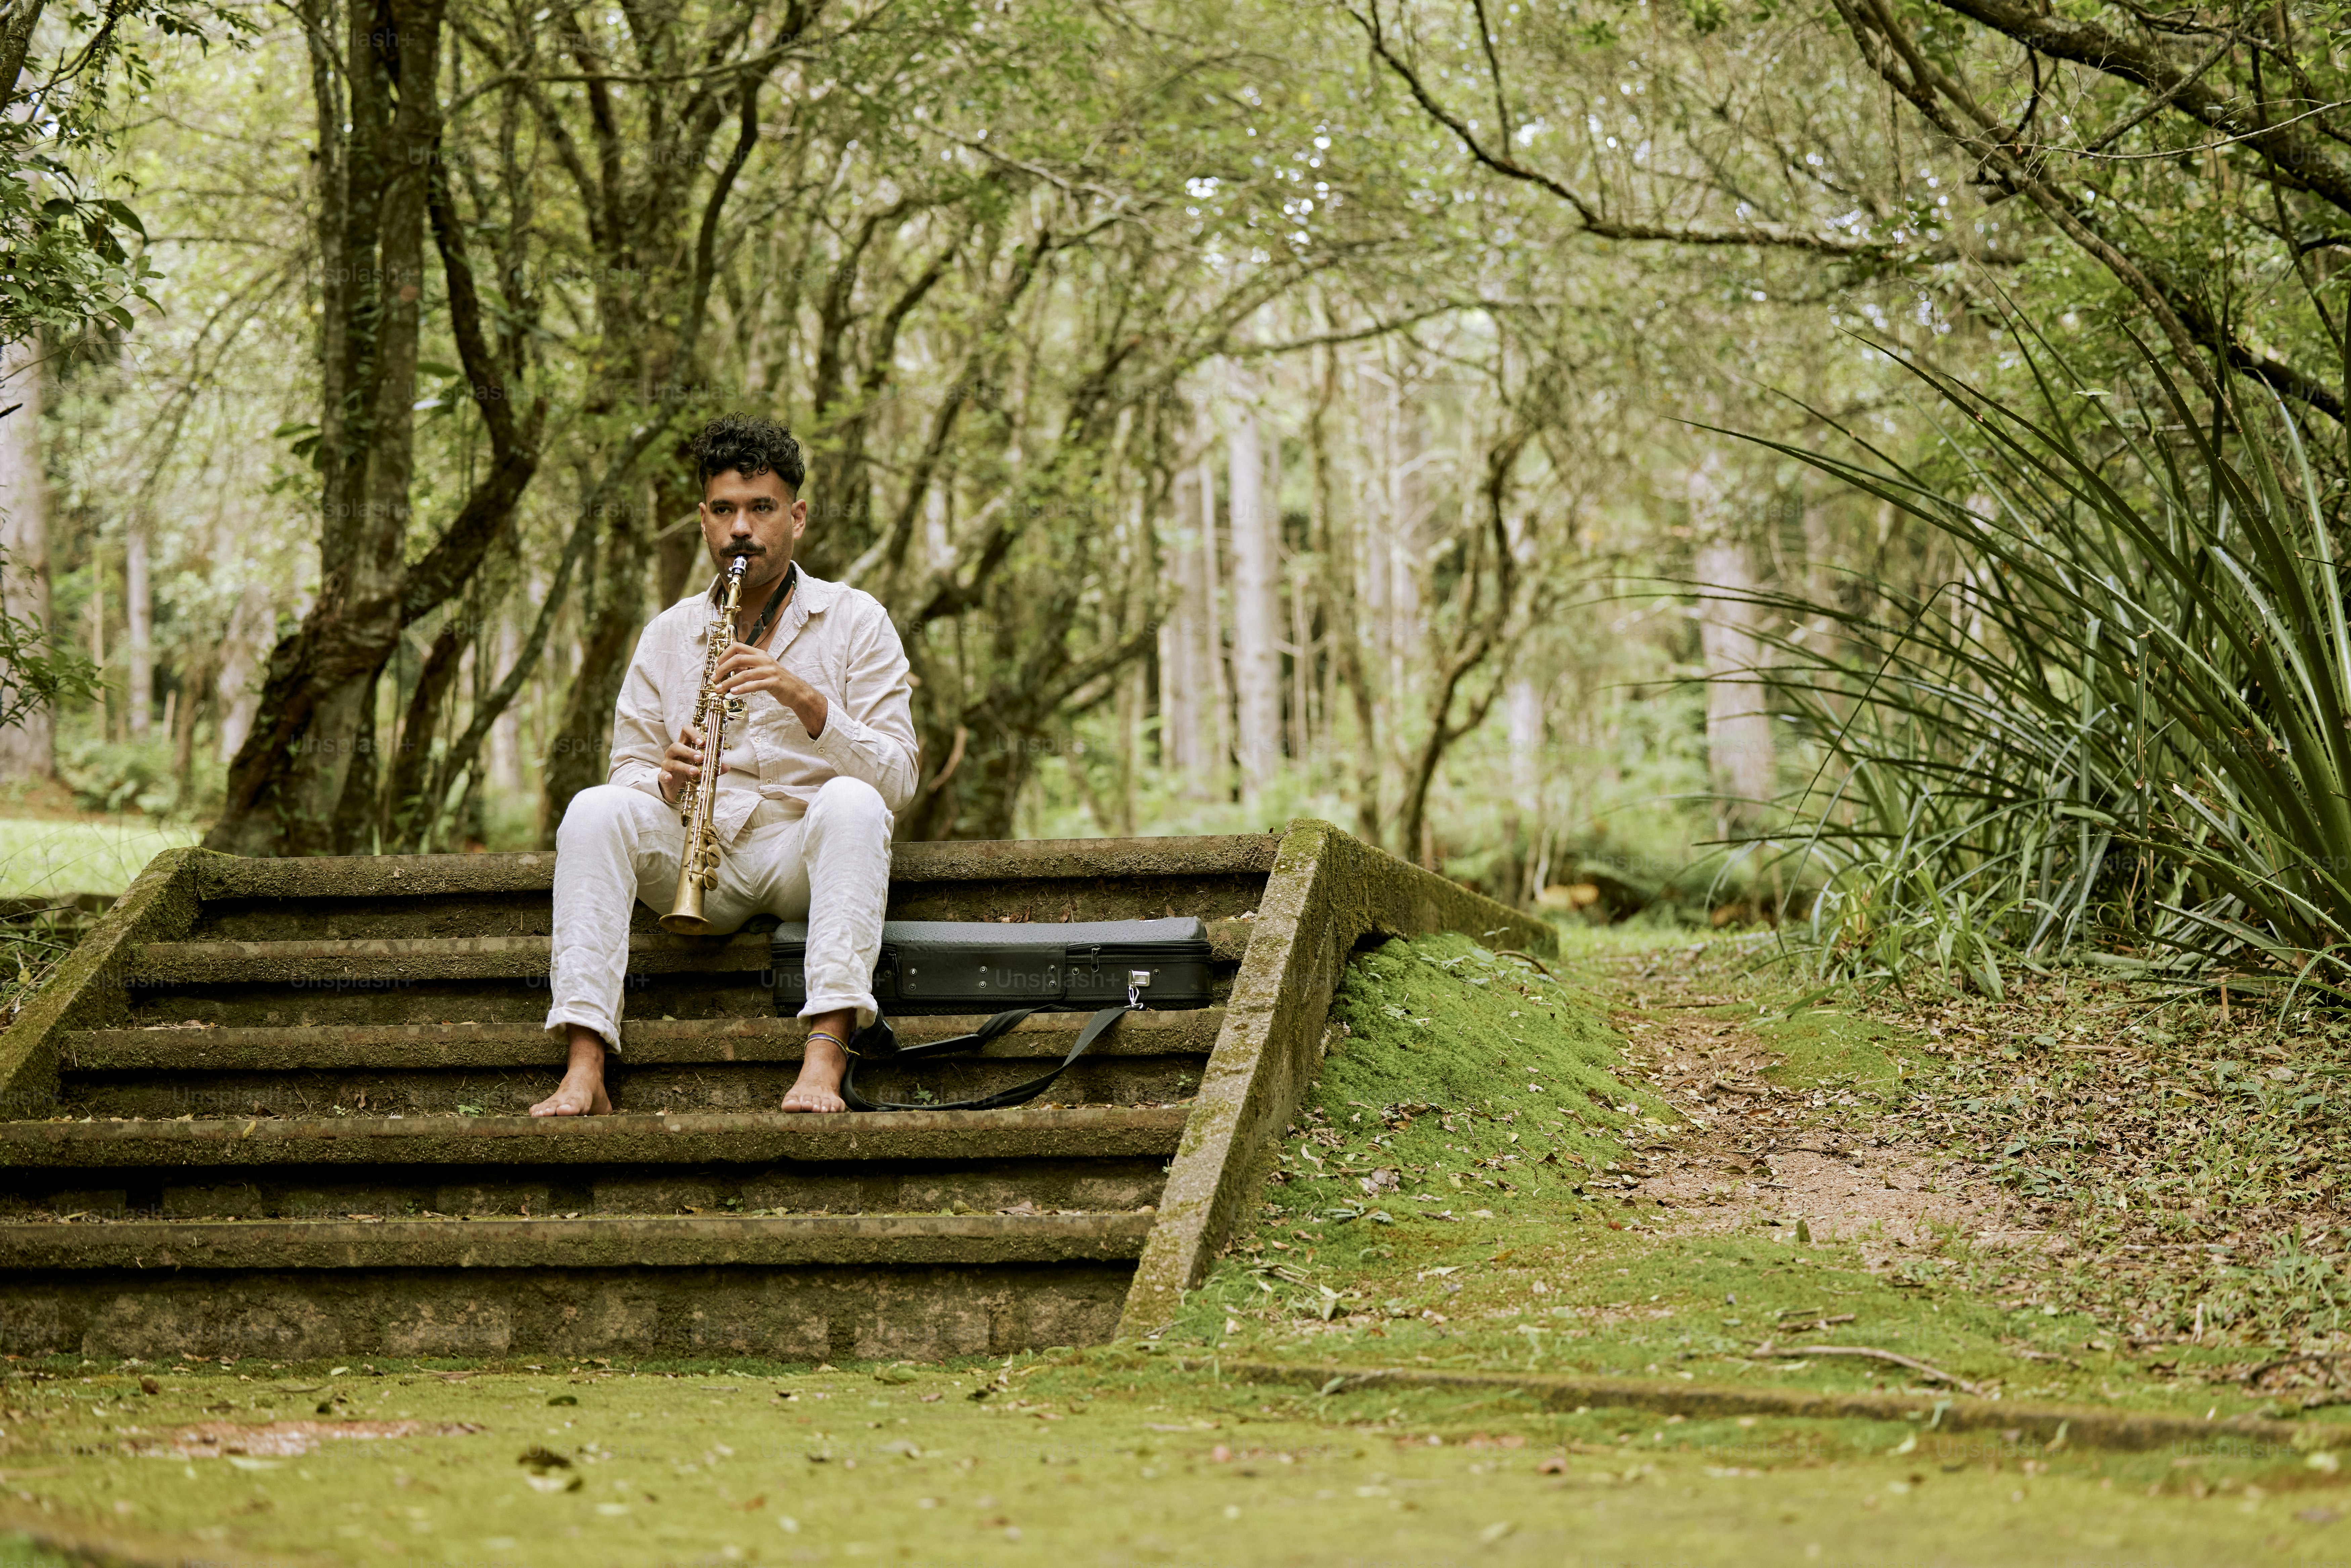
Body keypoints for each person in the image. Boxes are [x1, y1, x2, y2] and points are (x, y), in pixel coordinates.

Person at [530, 413, 918, 1117]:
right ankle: (585, 1062)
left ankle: (825, 1057)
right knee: (594, 808)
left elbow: (897, 780)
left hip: (807, 851)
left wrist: (806, 700)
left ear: (795, 517)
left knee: (855, 802)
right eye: (725, 510)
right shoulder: (669, 635)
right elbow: (627, 776)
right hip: (702, 856)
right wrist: (664, 780)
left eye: (761, 508)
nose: (742, 528)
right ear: (704, 521)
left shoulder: (858, 619)